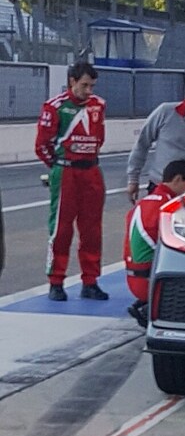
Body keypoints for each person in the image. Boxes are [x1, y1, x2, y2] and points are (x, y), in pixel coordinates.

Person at [35, 62, 108, 301]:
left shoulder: (98, 105)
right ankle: (56, 282)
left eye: (92, 86)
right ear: (72, 81)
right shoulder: (55, 107)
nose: (89, 91)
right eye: (84, 85)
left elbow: (100, 138)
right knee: (61, 229)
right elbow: (42, 146)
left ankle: (90, 282)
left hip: (92, 171)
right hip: (66, 172)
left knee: (92, 230)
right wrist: (58, 167)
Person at [124, 159, 185, 327]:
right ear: (177, 179)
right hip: (153, 282)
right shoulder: (169, 206)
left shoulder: (144, 203)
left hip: (135, 277)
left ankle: (146, 305)